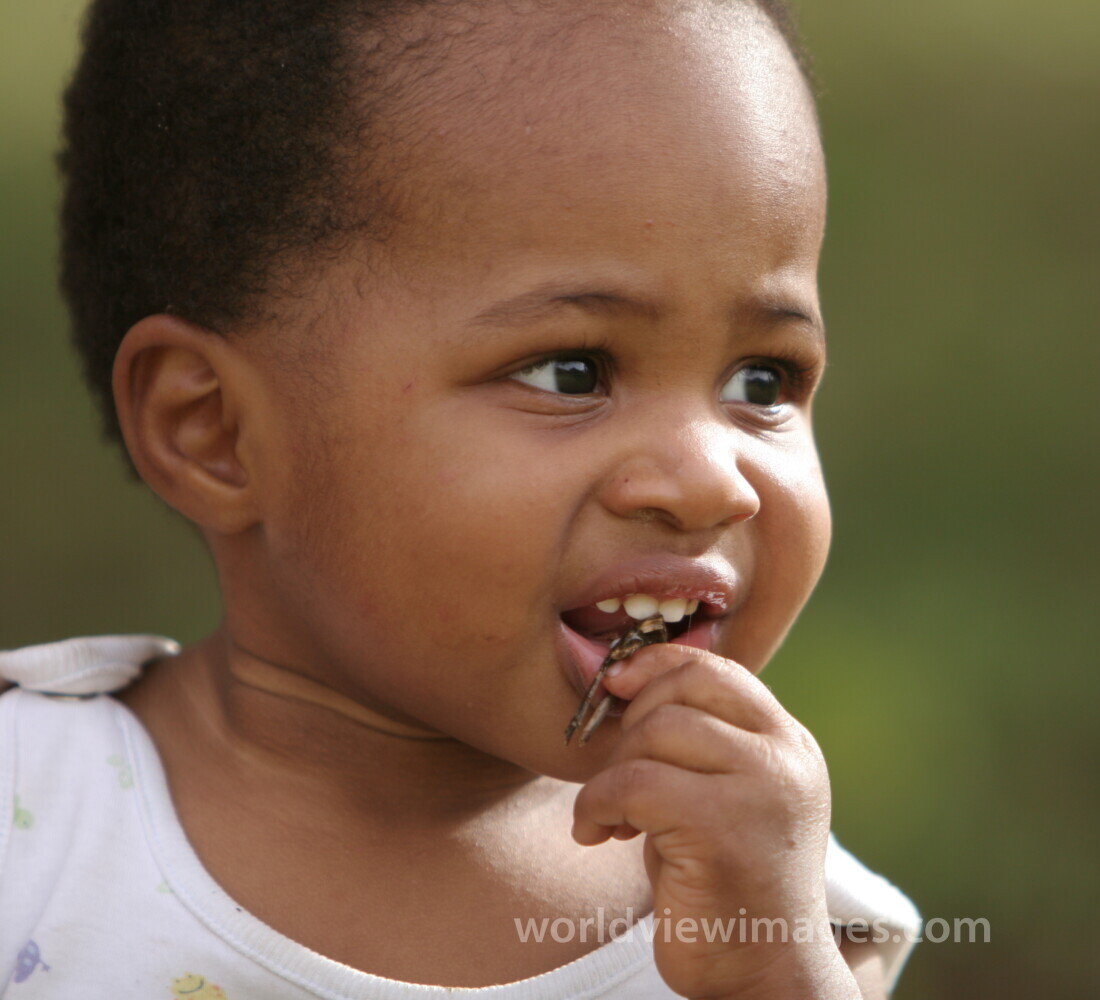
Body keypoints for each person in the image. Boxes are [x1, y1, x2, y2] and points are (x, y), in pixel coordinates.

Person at [0, 0, 921, 996]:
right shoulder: (35, 824)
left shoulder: (776, 911)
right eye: (573, 372)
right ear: (214, 429)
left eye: (762, 382)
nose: (710, 480)